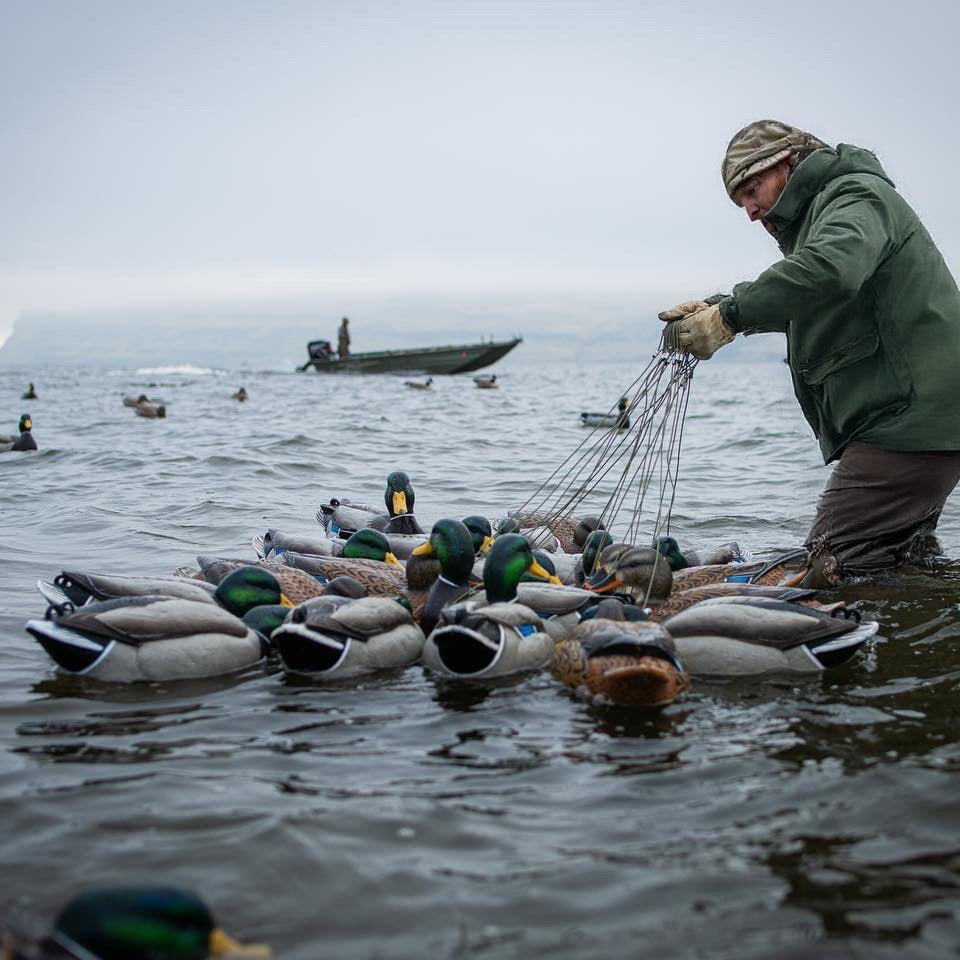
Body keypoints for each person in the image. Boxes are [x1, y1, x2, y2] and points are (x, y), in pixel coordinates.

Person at [660, 120, 960, 585]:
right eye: (741, 203)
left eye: (752, 190)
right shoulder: (825, 217)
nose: (751, 211)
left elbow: (829, 271)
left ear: (786, 164)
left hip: (908, 421)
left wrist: (731, 316)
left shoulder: (856, 196)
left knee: (825, 569)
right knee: (894, 568)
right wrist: (717, 309)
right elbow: (811, 296)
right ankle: (922, 624)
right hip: (918, 421)